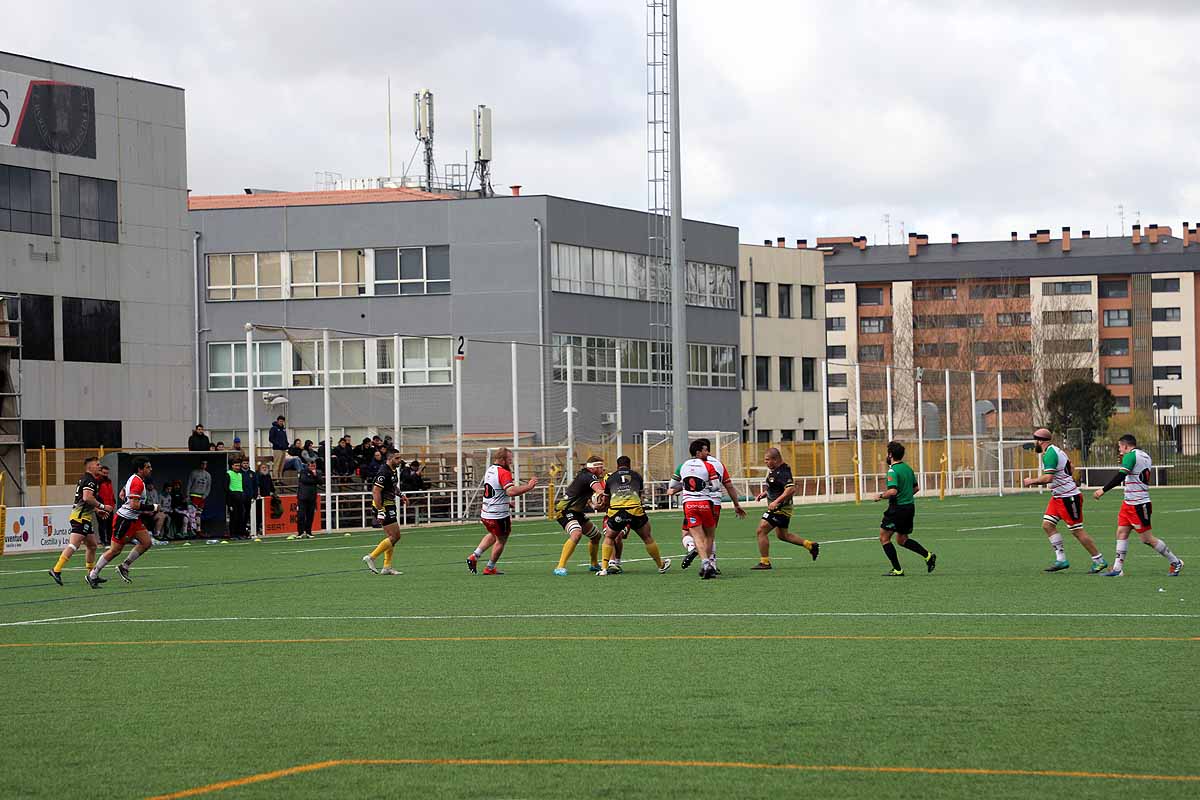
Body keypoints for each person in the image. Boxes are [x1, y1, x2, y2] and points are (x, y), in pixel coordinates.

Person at [1093, 434, 1183, 577]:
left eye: (1120, 447)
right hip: (1129, 503)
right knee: (1121, 532)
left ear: (1126, 446)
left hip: (1139, 504)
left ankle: (1176, 561)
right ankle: (1117, 569)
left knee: (1146, 539)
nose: (1120, 451)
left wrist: (1102, 490)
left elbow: (1121, 476)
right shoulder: (1145, 455)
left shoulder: (1131, 456)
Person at [1022, 429, 1107, 573]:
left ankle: (1099, 560)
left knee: (1077, 531)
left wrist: (1032, 481)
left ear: (1040, 441)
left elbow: (1048, 478)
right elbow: (1071, 467)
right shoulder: (1056, 450)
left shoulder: (1049, 454)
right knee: (1047, 525)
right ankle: (1061, 560)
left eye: (1035, 440)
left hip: (1069, 497)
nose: (1034, 443)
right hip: (1058, 497)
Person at [87, 456, 159, 587]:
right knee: (115, 550)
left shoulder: (136, 478)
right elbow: (134, 505)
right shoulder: (137, 482)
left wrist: (124, 491)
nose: (150, 469)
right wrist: (153, 507)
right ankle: (93, 574)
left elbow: (125, 491)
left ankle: (124, 566)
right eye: (148, 467)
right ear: (140, 469)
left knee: (146, 542)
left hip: (133, 519)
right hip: (124, 519)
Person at [466, 447, 539, 575]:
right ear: (502, 459)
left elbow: (495, 490)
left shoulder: (490, 469)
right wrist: (529, 486)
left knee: (494, 535)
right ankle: (490, 568)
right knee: (501, 539)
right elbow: (510, 491)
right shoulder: (503, 472)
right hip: (498, 515)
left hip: (486, 512)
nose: (511, 462)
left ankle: (474, 556)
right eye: (509, 459)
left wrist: (505, 502)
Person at [597, 455, 670, 576]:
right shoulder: (637, 476)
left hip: (616, 512)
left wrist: (599, 506)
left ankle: (604, 568)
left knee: (609, 537)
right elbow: (639, 495)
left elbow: (605, 500)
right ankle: (660, 565)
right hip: (635, 510)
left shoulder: (611, 478)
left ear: (617, 465)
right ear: (629, 465)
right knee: (647, 537)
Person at [875, 441, 936, 577]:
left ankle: (897, 570)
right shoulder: (908, 469)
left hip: (897, 509)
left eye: (887, 453)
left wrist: (880, 496)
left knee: (884, 537)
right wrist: (906, 496)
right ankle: (928, 555)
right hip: (909, 507)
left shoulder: (893, 471)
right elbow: (916, 488)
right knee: (901, 539)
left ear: (890, 454)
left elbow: (893, 491)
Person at [752, 447, 819, 570]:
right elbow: (777, 487)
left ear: (775, 459)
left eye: (767, 460)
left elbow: (791, 489)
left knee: (761, 531)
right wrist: (765, 493)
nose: (765, 462)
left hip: (780, 509)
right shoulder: (776, 470)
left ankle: (765, 562)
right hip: (781, 509)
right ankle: (810, 545)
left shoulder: (782, 472)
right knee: (783, 535)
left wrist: (776, 502)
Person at [49, 456, 110, 585]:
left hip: (84, 517)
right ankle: (56, 569)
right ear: (90, 467)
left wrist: (97, 510)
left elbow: (83, 501)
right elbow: (87, 498)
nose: (100, 466)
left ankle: (91, 575)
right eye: (97, 464)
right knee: (73, 545)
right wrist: (103, 506)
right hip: (80, 518)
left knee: (92, 545)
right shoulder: (90, 480)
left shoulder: (87, 479)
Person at [669, 440, 725, 579]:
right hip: (705, 504)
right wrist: (705, 486)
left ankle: (704, 564)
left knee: (697, 537)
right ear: (698, 452)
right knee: (709, 536)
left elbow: (672, 485)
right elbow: (717, 486)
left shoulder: (682, 466)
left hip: (689, 505)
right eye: (706, 450)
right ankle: (711, 564)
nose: (708, 453)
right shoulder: (708, 466)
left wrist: (686, 486)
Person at [551, 457, 608, 576]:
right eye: (601, 467)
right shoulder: (589, 476)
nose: (603, 470)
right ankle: (560, 566)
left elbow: (583, 495)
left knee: (596, 536)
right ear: (594, 467)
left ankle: (593, 564)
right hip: (565, 510)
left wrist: (593, 504)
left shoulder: (585, 475)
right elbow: (600, 491)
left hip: (576, 512)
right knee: (576, 533)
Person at [362, 451, 411, 575]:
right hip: (384, 506)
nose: (400, 460)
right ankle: (371, 557)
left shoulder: (393, 470)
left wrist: (401, 495)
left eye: (400, 457)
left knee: (393, 537)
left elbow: (393, 486)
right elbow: (376, 491)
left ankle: (387, 567)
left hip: (389, 505)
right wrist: (380, 510)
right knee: (395, 536)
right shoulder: (383, 472)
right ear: (390, 459)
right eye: (397, 458)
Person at [185, 459, 211, 536]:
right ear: (200, 464)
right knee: (191, 514)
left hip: (202, 497)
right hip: (193, 495)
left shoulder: (208, 475)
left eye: (205, 464)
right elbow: (189, 484)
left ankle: (198, 530)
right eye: (202, 464)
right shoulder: (194, 473)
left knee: (198, 514)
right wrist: (187, 495)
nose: (204, 465)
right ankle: (190, 530)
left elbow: (208, 486)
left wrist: (205, 495)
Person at [296, 460, 321, 538]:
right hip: (302, 498)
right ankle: (300, 532)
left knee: (310, 516)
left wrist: (315, 475)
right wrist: (314, 479)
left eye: (314, 466)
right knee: (301, 515)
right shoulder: (303, 472)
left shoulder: (318, 472)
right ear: (308, 466)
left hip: (312, 498)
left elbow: (320, 481)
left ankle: (308, 532)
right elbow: (304, 480)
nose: (313, 468)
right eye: (311, 466)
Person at [225, 456, 245, 539]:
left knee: (241, 516)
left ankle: (240, 533)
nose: (238, 467)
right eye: (236, 466)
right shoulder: (228, 474)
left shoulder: (240, 474)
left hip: (240, 497)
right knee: (234, 517)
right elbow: (226, 488)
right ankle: (233, 534)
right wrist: (229, 501)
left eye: (238, 466)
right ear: (232, 466)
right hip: (232, 498)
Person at [96, 464, 116, 547]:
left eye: (107, 473)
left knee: (109, 525)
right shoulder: (97, 481)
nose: (105, 475)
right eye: (104, 473)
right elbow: (96, 495)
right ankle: (103, 540)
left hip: (110, 506)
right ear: (100, 472)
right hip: (101, 506)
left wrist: (113, 503)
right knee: (102, 524)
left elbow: (111, 493)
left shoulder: (109, 481)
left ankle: (109, 540)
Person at [256, 461, 277, 530]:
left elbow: (271, 485)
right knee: (259, 512)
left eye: (265, 467)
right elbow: (257, 486)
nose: (264, 469)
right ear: (260, 469)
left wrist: (273, 492)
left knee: (266, 512)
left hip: (267, 496)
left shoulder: (268, 475)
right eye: (263, 467)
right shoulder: (258, 476)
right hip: (260, 497)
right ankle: (257, 526)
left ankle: (263, 526)